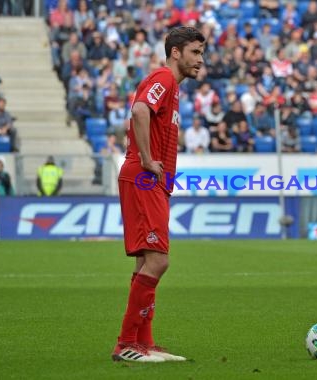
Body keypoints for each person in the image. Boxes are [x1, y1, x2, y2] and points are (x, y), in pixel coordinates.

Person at [114, 26, 205, 363]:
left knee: (146, 260)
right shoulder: (164, 77)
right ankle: (126, 343)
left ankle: (144, 343)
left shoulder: (174, 88)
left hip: (149, 179)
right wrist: (149, 158)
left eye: (202, 52)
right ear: (176, 52)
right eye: (195, 52)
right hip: (143, 176)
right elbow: (139, 111)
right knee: (159, 259)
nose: (200, 59)